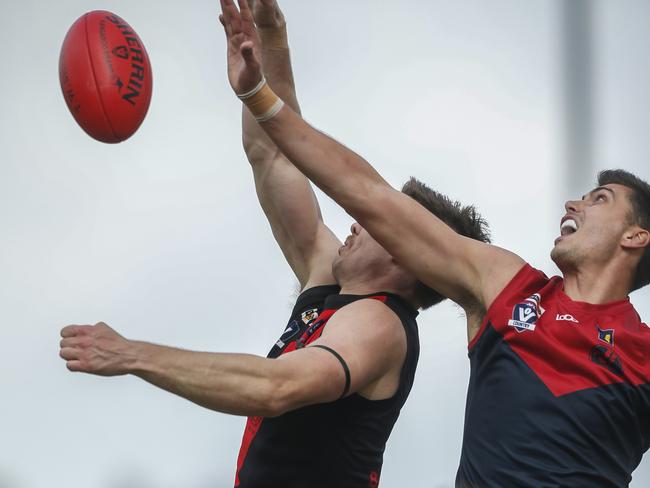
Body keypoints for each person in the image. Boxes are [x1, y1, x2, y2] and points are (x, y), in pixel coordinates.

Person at [59, 2, 490, 487]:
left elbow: (277, 387)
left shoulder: (380, 324)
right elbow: (272, 157)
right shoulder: (330, 275)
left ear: (403, 250)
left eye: (375, 220)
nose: (355, 220)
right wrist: (268, 46)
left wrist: (132, 354)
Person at [219, 0, 650, 486]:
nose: (574, 204)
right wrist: (262, 84)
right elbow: (368, 194)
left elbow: (371, 202)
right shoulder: (511, 287)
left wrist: (136, 355)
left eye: (599, 199)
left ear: (636, 236)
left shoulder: (643, 353)